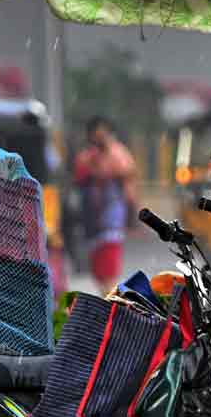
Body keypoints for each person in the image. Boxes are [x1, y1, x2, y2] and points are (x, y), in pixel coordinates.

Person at [73, 117, 137, 294]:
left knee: (109, 272)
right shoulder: (86, 156)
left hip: (112, 221)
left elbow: (127, 175)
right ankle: (106, 300)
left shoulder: (119, 154)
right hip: (92, 222)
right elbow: (80, 176)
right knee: (98, 272)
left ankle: (110, 306)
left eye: (104, 135)